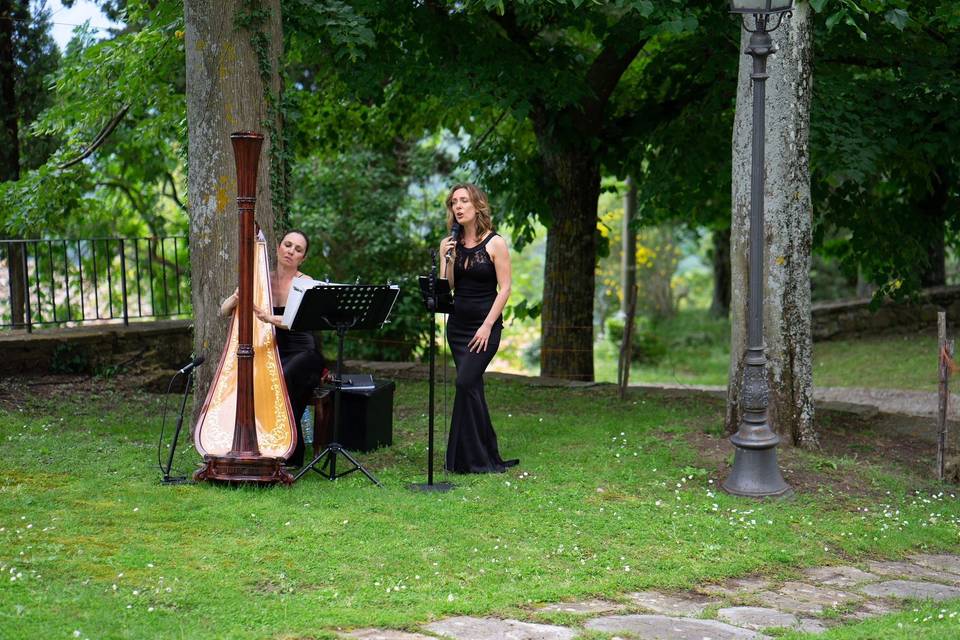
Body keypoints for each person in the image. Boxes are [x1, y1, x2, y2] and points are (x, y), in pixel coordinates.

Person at [220, 230, 327, 467]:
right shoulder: (261, 279)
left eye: (298, 249)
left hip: (304, 352)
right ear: (278, 248)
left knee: (280, 381)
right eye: (287, 245)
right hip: (274, 352)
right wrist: (236, 297)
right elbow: (224, 311)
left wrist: (269, 318)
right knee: (257, 380)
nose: (291, 251)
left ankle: (289, 449)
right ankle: (267, 445)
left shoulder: (305, 282)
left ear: (303, 258)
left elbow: (298, 320)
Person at [438, 183, 519, 473]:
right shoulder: (450, 244)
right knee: (472, 387)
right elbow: (447, 287)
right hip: (458, 328)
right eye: (454, 202)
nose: (458, 206)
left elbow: (506, 288)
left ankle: (470, 458)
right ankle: (479, 457)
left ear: (477, 205)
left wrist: (487, 326)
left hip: (485, 327)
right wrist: (444, 259)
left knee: (464, 383)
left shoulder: (495, 243)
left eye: (463, 201)